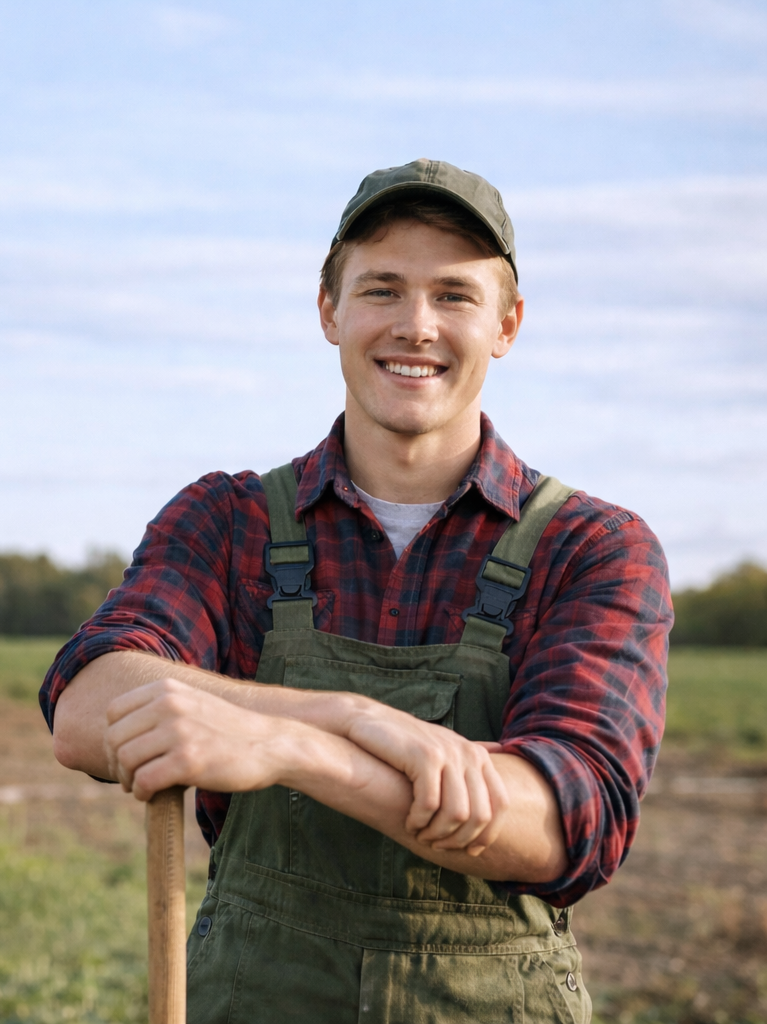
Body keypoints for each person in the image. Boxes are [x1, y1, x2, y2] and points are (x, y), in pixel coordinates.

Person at [40, 158, 670, 1022]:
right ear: (330, 311)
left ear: (507, 325)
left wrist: (296, 751)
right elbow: (88, 707)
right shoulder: (229, 522)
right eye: (382, 289)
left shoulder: (593, 548)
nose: (417, 326)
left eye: (454, 295)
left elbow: (565, 822)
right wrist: (355, 719)